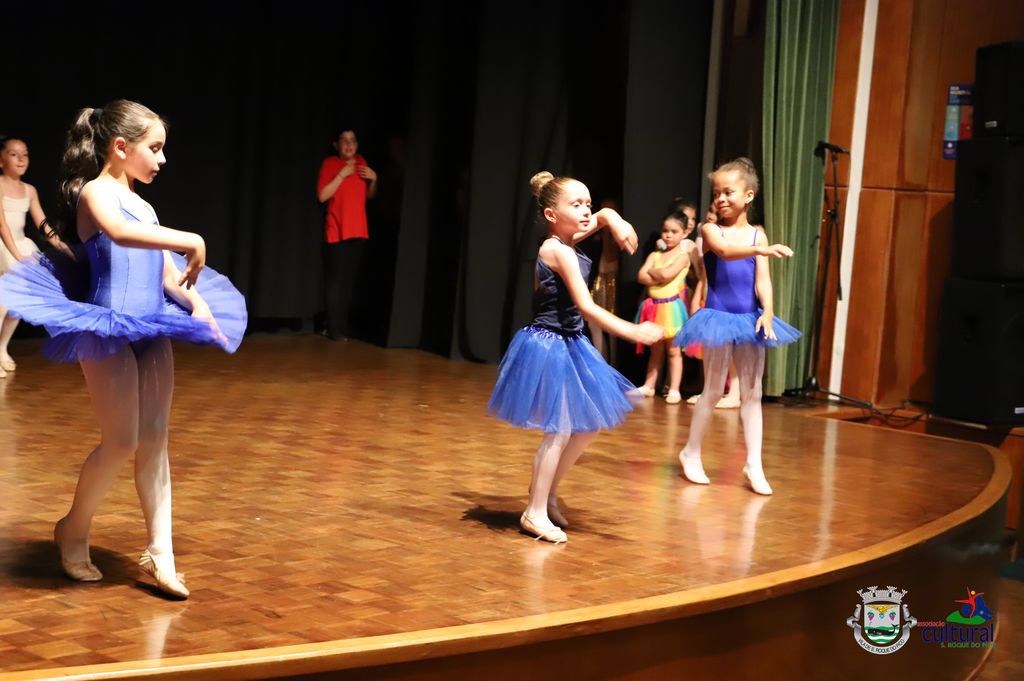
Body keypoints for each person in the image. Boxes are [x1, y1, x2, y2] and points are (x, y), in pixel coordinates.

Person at [0, 100, 247, 597]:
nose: (161, 159)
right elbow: (119, 233)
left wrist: (196, 302)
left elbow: (166, 272)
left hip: (149, 327)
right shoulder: (96, 194)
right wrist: (192, 237)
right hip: (106, 328)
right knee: (122, 442)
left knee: (155, 438)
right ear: (121, 147)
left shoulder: (147, 205)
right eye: (154, 148)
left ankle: (161, 552)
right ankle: (72, 528)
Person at [487, 172, 663, 543]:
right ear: (552, 215)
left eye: (588, 202)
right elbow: (586, 306)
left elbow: (598, 219)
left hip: (570, 342)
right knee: (560, 428)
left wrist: (612, 218)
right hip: (549, 343)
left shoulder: (567, 240)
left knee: (590, 424)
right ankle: (533, 512)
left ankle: (546, 492)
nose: (587, 210)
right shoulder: (556, 250)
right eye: (576, 205)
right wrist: (632, 331)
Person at [673, 158, 800, 495]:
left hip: (749, 318)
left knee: (752, 393)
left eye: (728, 192)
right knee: (713, 389)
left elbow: (762, 281)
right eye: (717, 193)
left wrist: (768, 311)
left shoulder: (759, 234)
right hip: (718, 317)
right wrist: (762, 249)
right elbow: (726, 253)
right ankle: (690, 452)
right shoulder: (710, 230)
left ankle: (754, 465)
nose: (721, 199)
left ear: (748, 196)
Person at [0, 136, 67, 375]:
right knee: (2, 303)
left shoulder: (29, 190)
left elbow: (42, 223)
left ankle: (2, 348)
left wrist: (59, 244)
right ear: (0, 160)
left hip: (20, 245)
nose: (20, 159)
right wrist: (16, 256)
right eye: (13, 154)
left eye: (25, 154)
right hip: (3, 246)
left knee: (15, 305)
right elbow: (2, 226)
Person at [635, 209, 703, 403]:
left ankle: (674, 389)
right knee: (655, 351)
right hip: (652, 307)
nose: (668, 235)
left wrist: (654, 274)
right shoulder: (655, 255)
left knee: (673, 351)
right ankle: (649, 385)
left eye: (674, 231)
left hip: (671, 308)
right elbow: (641, 276)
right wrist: (659, 273)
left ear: (684, 233)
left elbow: (666, 275)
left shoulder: (682, 256)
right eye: (665, 231)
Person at [317, 128, 377, 341]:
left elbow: (368, 196)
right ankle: (333, 330)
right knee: (335, 283)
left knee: (349, 283)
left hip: (358, 231)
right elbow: (323, 196)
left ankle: (341, 326)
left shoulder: (362, 162)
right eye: (344, 141)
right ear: (336, 145)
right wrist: (342, 174)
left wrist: (374, 180)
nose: (349, 145)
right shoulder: (330, 164)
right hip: (336, 231)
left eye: (353, 140)